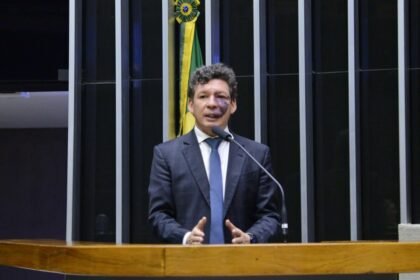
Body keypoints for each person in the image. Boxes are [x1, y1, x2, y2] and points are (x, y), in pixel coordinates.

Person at [148, 63, 281, 244]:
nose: (212, 104)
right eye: (203, 96)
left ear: (233, 104)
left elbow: (270, 216)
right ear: (191, 105)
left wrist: (250, 238)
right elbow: (158, 215)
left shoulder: (256, 155)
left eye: (221, 96)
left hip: (243, 265)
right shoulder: (167, 155)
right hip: (188, 264)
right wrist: (185, 237)